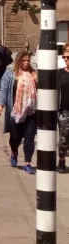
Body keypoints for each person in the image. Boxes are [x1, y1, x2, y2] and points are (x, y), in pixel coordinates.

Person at [0, 50, 38, 174]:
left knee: (29, 137)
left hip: (31, 111)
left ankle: (28, 163)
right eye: (24, 61)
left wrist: (37, 81)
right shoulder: (10, 74)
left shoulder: (34, 74)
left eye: (28, 61)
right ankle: (14, 152)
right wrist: (0, 104)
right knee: (15, 137)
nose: (26, 63)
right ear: (19, 61)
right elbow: (3, 90)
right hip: (16, 111)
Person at [58, 45, 69, 173]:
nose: (66, 59)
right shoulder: (60, 73)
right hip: (64, 110)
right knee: (64, 138)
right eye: (64, 57)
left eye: (68, 57)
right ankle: (61, 160)